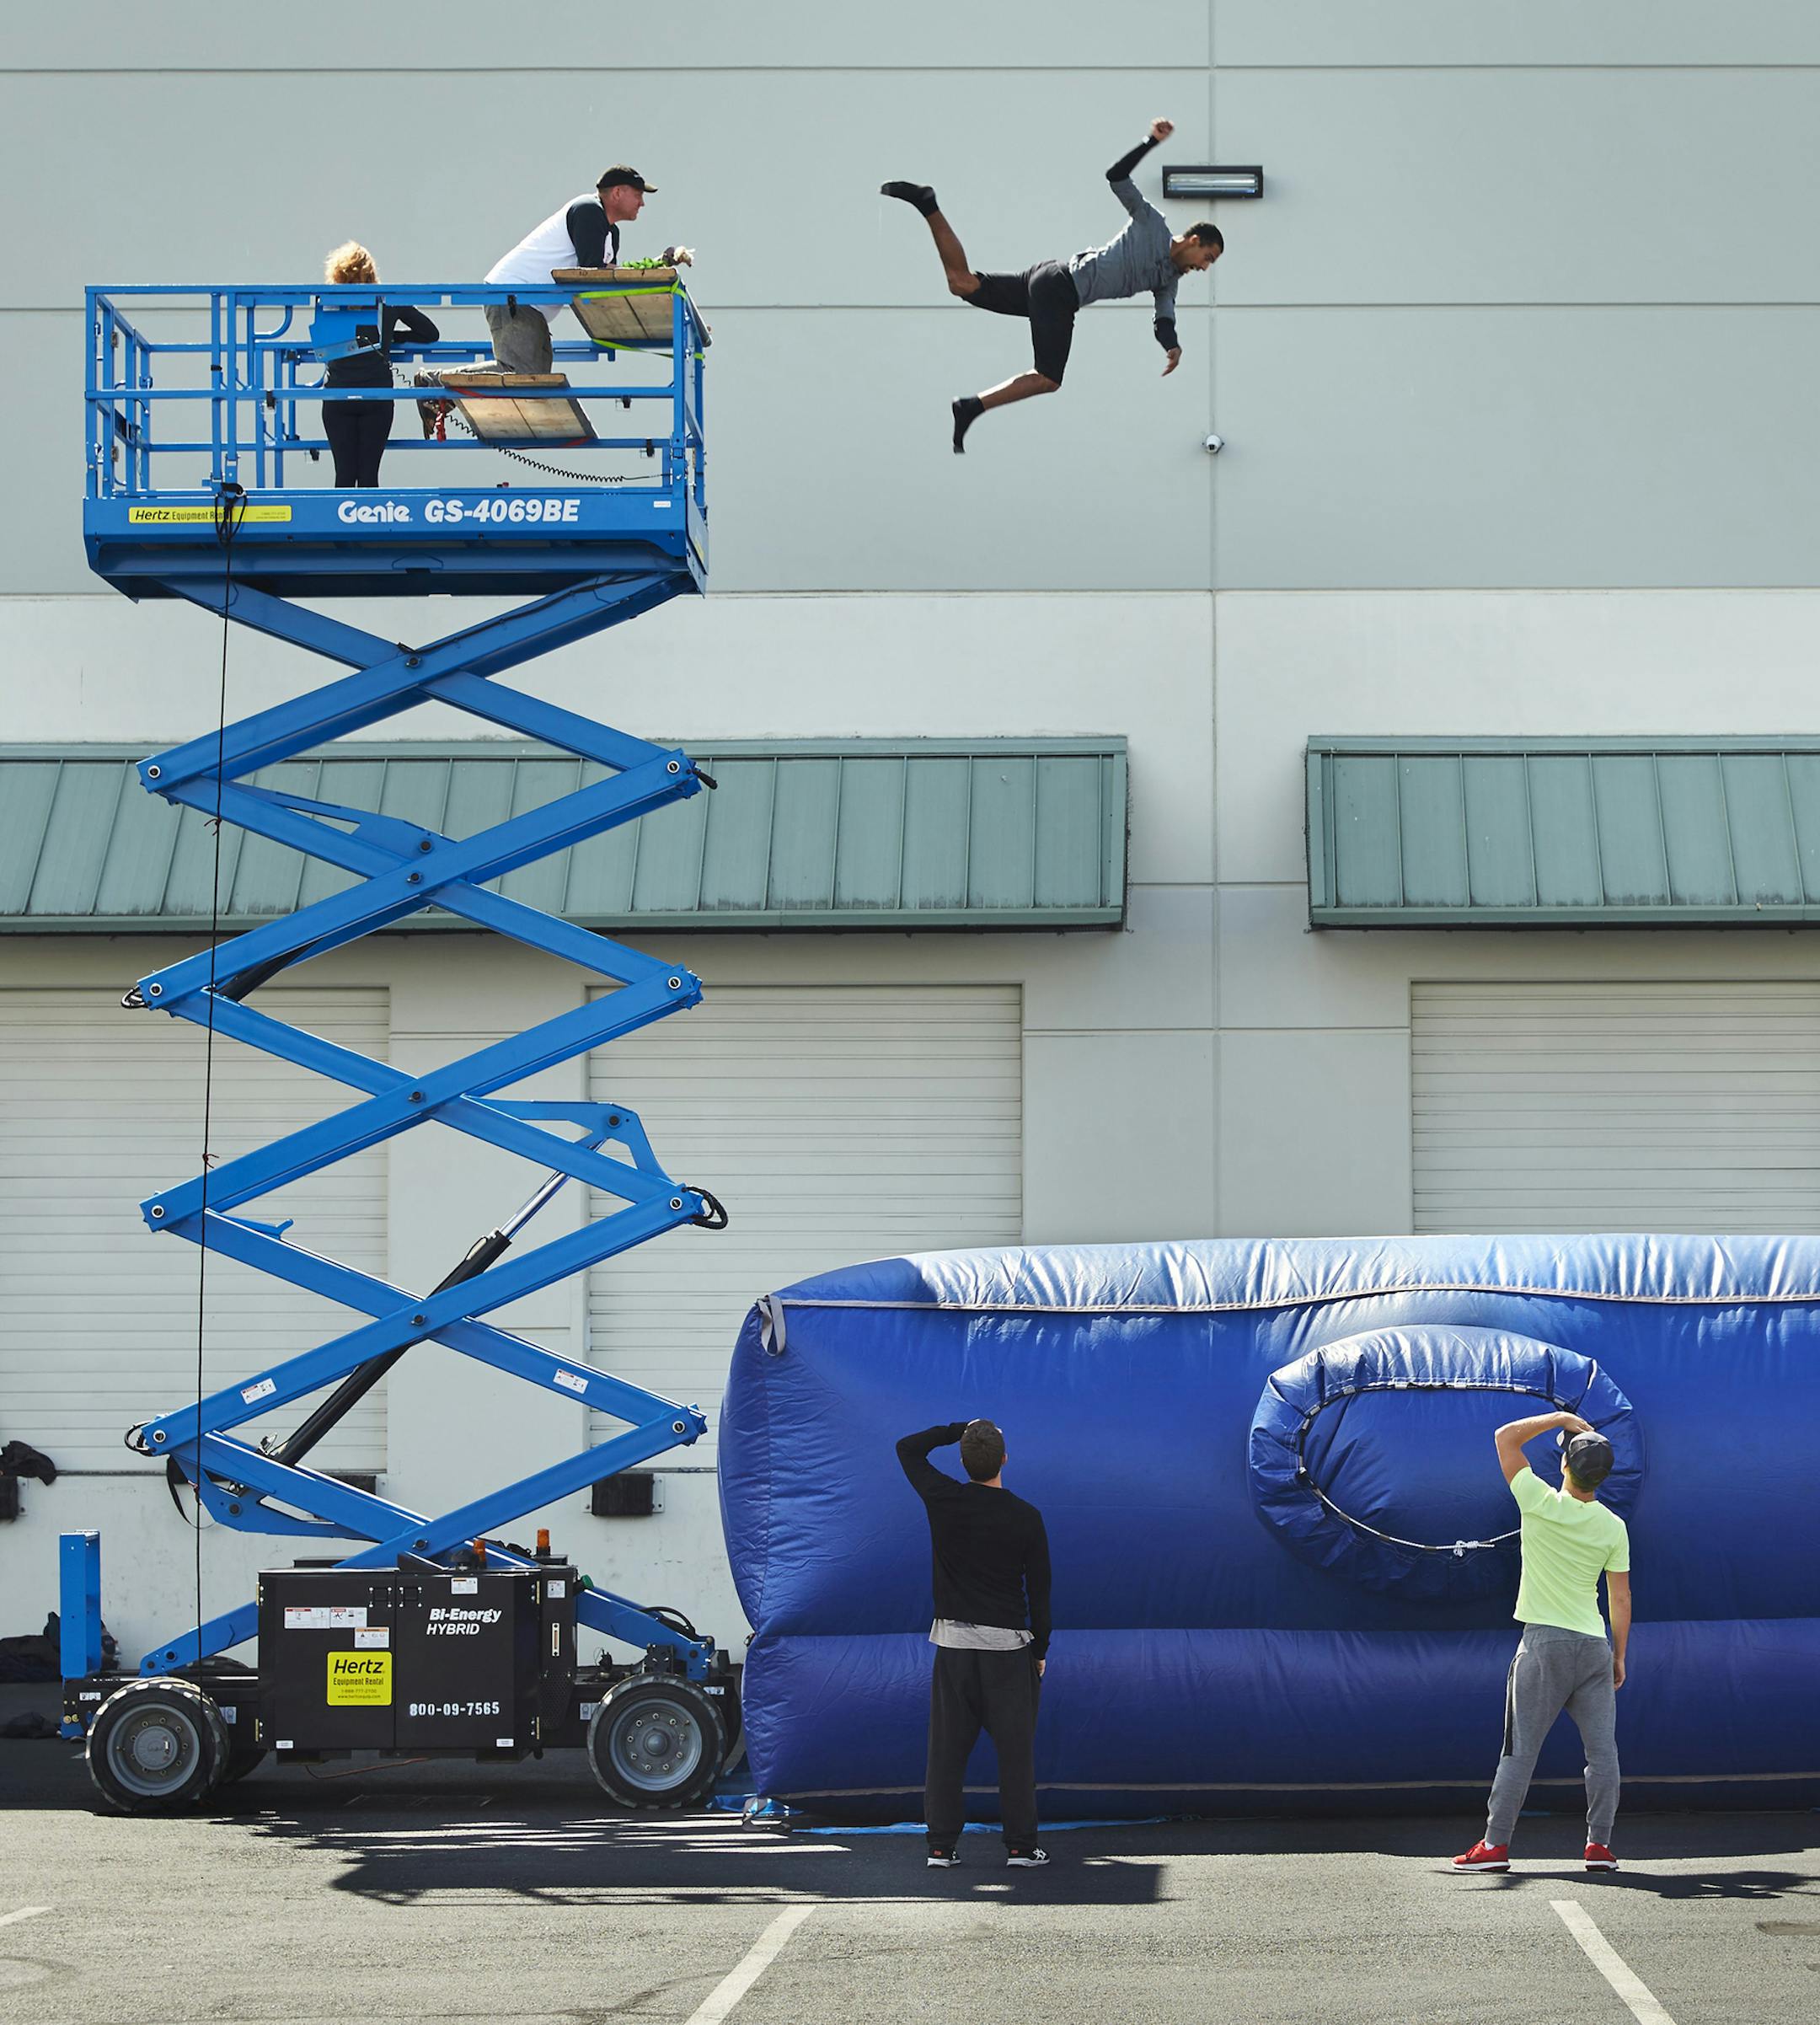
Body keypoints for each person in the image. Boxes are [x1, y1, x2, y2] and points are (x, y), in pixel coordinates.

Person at [881, 119, 1223, 452]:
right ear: (1193, 240)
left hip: (1048, 279)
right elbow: (1116, 177)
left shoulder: (1169, 279)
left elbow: (1163, 317)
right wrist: (1150, 142)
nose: (1204, 268)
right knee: (1048, 378)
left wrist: (1172, 345)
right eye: (1207, 257)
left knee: (962, 284)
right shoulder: (1152, 223)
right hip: (1060, 289)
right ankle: (971, 407)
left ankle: (927, 204)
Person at [1453, 1412, 1632, 1875]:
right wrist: (1618, 1655)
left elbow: (1504, 1436)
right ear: (1604, 1475)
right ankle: (1600, 1847)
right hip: (1593, 1645)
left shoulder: (1537, 1501)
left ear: (1564, 1467)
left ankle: (1495, 1847)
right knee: (1602, 1753)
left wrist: (1563, 1417)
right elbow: (1620, 1596)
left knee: (1520, 1750)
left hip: (1544, 1646)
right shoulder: (1613, 1526)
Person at [896, 1418, 1052, 1870]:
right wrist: (1039, 1650)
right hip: (1008, 1651)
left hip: (955, 1648)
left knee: (946, 1751)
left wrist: (959, 1429)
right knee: (1016, 1755)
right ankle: (1021, 1847)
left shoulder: (945, 1500)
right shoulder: (1026, 1516)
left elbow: (907, 1447)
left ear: (963, 1463)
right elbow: (1039, 1592)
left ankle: (941, 1847)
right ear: (1004, 1459)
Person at [483, 169, 682, 372]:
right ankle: (449, 390)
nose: (642, 203)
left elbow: (609, 283)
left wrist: (660, 266)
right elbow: (592, 274)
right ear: (617, 193)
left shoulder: (610, 232)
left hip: (528, 304)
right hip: (513, 293)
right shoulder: (588, 210)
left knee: (534, 379)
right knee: (519, 373)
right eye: (638, 195)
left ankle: (450, 392)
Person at [318, 244, 439, 488]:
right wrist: (392, 337)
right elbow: (430, 333)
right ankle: (368, 524)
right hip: (377, 396)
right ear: (371, 273)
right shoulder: (387, 300)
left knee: (343, 476)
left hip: (337, 397)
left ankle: (340, 525)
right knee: (369, 476)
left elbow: (322, 343)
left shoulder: (327, 301)